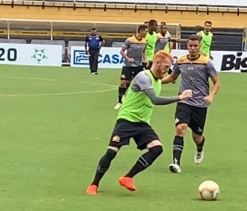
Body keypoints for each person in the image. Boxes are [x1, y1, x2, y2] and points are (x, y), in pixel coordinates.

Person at [86, 51, 193, 195]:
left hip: (142, 123)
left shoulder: (157, 80)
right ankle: (94, 184)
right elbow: (155, 99)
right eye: (166, 66)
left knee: (157, 149)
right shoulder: (143, 77)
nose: (168, 70)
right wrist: (179, 98)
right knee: (112, 152)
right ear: (156, 63)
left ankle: (127, 177)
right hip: (127, 119)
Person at [162, 34, 220, 173]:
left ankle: (200, 147)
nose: (193, 48)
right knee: (180, 128)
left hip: (200, 104)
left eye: (195, 46)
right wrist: (156, 81)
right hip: (184, 101)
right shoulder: (181, 61)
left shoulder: (206, 62)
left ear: (199, 46)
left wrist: (210, 96)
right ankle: (176, 163)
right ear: (187, 46)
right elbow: (173, 77)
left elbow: (217, 83)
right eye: (190, 46)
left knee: (196, 136)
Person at [114, 25, 147, 110]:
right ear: (140, 31)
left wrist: (145, 59)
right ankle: (119, 101)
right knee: (123, 82)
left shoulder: (144, 41)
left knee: (140, 84)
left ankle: (136, 102)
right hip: (128, 66)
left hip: (138, 66)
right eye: (145, 31)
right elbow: (122, 51)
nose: (146, 33)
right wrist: (128, 58)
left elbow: (143, 51)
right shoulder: (130, 40)